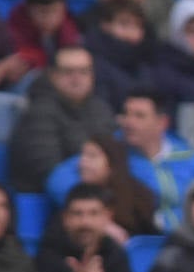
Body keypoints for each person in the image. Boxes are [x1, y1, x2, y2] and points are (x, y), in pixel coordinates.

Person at [7, 46, 115, 193]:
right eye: (68, 72)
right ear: (53, 75)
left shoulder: (101, 109)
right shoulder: (38, 113)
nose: (77, 78)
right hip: (54, 201)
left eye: (84, 71)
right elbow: (48, 171)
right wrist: (100, 201)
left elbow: (119, 159)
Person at [118, 88, 194, 232]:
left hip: (189, 239)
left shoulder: (188, 158)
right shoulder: (111, 153)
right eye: (126, 114)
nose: (129, 122)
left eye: (139, 116)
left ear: (162, 122)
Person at [46, 135, 158, 243]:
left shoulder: (139, 197)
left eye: (92, 156)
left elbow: (152, 239)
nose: (82, 163)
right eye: (82, 155)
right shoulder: (76, 198)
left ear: (112, 164)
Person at [87, 0, 156, 111]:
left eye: (137, 26)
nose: (131, 32)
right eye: (124, 24)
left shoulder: (146, 62)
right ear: (105, 25)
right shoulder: (93, 62)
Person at [7, 0, 82, 74]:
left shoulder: (70, 30)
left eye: (55, 11)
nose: (50, 19)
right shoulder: (13, 31)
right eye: (43, 12)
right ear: (28, 8)